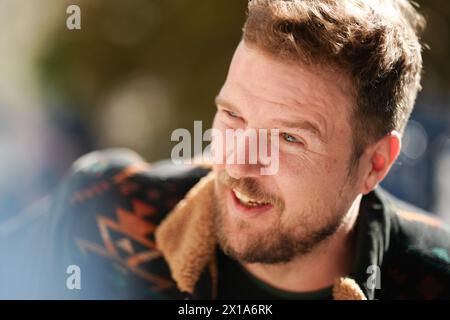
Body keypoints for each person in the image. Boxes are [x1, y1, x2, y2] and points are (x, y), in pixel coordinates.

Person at [1, 0, 449, 300]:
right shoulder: (100, 214)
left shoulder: (434, 277)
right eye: (233, 117)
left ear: (375, 164)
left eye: (289, 138)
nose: (237, 161)